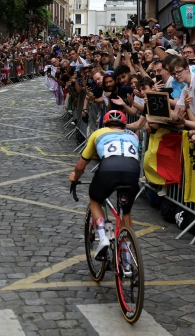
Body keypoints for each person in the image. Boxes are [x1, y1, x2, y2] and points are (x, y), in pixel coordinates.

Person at [68, 110, 140, 272]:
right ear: (124, 124)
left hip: (108, 170)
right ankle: (127, 260)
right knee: (125, 213)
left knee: (95, 199)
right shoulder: (133, 136)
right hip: (132, 171)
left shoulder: (98, 133)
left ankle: (103, 238)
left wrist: (75, 177)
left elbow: (81, 165)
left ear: (105, 123)